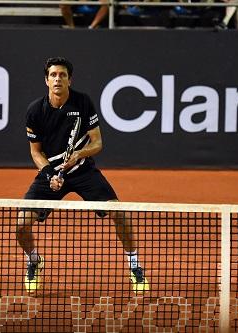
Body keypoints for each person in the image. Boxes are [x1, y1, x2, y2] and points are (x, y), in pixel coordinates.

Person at [16, 57, 149, 294]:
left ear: (69, 79)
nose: (58, 78)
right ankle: (34, 261)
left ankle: (135, 265)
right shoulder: (35, 110)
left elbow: (97, 142)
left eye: (63, 75)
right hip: (51, 174)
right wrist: (49, 175)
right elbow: (35, 152)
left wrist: (79, 154)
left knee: (119, 213)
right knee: (22, 224)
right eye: (53, 75)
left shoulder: (83, 102)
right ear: (46, 80)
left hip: (83, 171)